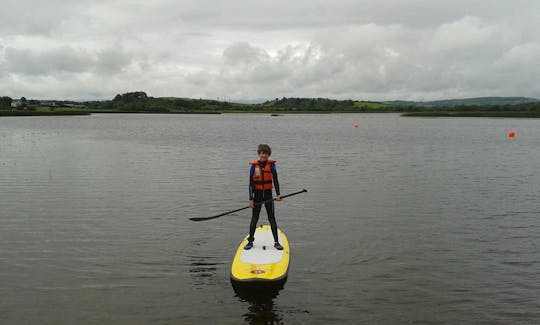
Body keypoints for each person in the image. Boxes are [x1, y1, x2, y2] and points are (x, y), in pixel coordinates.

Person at [244, 144, 283, 250]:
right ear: (259, 154)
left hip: (268, 195)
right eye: (262, 153)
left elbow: (275, 181)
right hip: (257, 196)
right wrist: (250, 199)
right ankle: (250, 242)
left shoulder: (271, 166)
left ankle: (276, 242)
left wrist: (278, 194)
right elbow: (251, 184)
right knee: (254, 218)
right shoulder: (253, 167)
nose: (264, 155)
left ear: (268, 155)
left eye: (266, 153)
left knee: (271, 218)